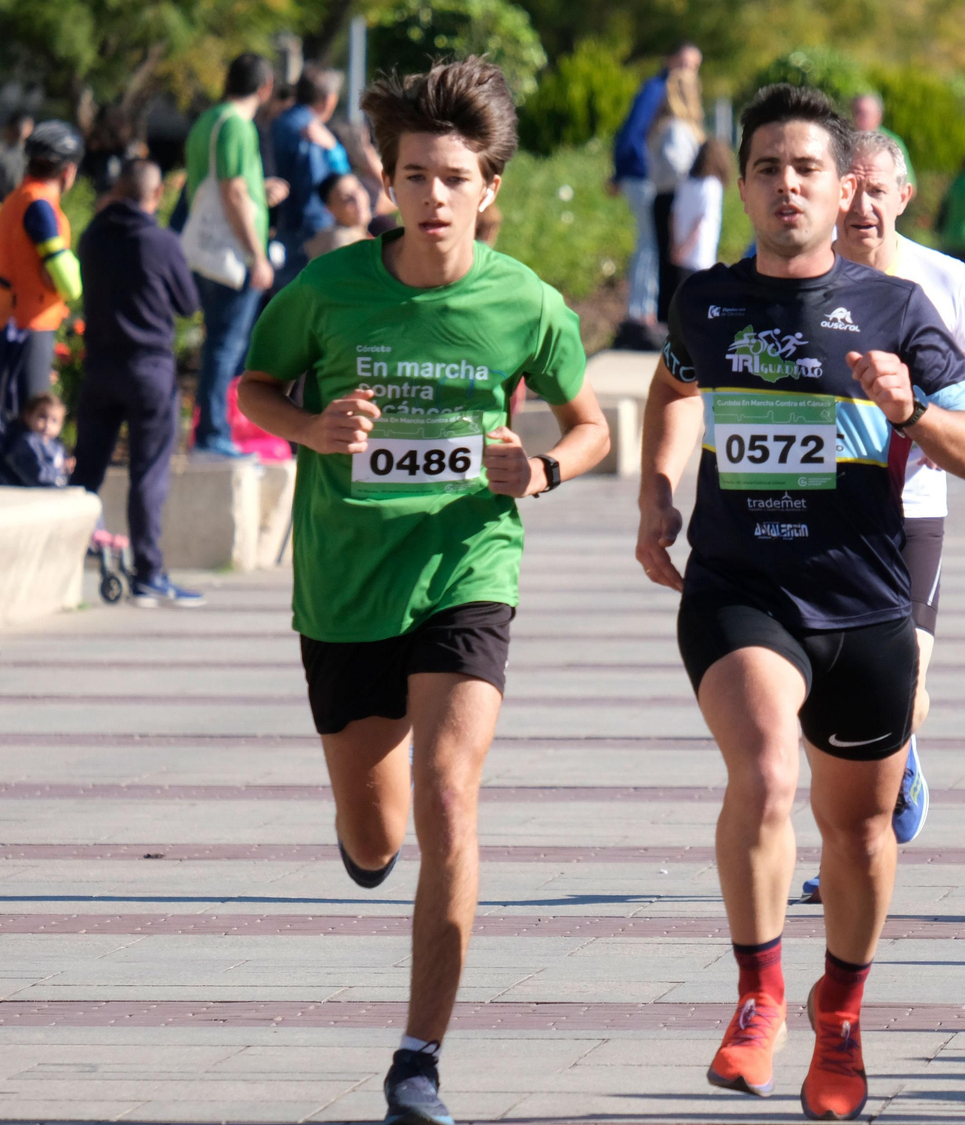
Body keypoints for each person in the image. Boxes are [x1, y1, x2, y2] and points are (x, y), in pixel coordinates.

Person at [234, 58, 611, 1125]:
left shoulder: (525, 301)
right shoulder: (327, 290)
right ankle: (366, 837)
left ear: (488, 186)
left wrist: (540, 470)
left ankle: (417, 1060)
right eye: (413, 176)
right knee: (375, 838)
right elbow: (251, 388)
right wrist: (311, 428)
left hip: (466, 570)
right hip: (347, 586)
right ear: (387, 181)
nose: (433, 197)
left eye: (453, 178)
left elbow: (589, 425)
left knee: (450, 796)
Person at [634, 84, 965, 1122]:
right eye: (766, 168)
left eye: (806, 168)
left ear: (845, 190)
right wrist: (656, 495)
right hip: (740, 590)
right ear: (743, 186)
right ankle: (759, 996)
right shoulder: (706, 302)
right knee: (762, 768)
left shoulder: (898, 309)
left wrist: (912, 410)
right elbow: (673, 387)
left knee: (861, 831)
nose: (785, 185)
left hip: (866, 602)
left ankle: (838, 1014)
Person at [796, 127, 965, 905]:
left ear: (904, 197)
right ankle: (845, 844)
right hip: (821, 506)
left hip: (912, 507)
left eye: (878, 190)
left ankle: (883, 795)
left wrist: (943, 424)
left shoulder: (942, 278)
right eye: (850, 189)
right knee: (820, 691)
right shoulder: (802, 275)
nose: (863, 205)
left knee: (903, 680)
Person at [73, 159, 204, 608]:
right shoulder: (161, 242)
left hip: (100, 367)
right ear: (156, 195)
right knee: (147, 474)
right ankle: (148, 575)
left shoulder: (91, 238)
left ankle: (66, 560)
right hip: (149, 368)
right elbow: (188, 303)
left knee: (85, 473)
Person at [176, 53, 290, 460]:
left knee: (218, 343)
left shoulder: (207, 121)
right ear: (266, 86)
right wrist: (258, 255)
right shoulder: (237, 125)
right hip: (233, 256)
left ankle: (212, 430)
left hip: (208, 250)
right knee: (226, 347)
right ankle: (213, 434)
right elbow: (234, 190)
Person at [0, 119, 85, 402]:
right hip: (32, 325)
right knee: (31, 416)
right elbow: (70, 285)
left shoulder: (16, 199)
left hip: (2, 319)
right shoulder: (41, 207)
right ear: (68, 171)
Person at [611, 42, 701, 334]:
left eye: (694, 66)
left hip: (651, 175)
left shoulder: (662, 90)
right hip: (647, 176)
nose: (688, 71)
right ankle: (641, 311)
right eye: (684, 63)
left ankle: (646, 308)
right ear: (670, 59)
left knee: (652, 242)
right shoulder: (658, 89)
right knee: (651, 243)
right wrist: (631, 169)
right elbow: (633, 132)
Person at [272, 67, 350, 287]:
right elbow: (316, 187)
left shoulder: (279, 122)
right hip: (305, 233)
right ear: (329, 100)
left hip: (279, 226)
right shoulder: (312, 133)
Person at [647, 68, 705, 327]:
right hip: (675, 197)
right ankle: (675, 320)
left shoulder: (662, 126)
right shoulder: (677, 128)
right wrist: (693, 176)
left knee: (669, 260)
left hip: (663, 196)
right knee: (678, 261)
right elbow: (675, 163)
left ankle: (668, 318)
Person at [671, 139, 731, 277]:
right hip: (701, 253)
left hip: (680, 251)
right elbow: (701, 221)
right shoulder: (712, 186)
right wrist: (686, 247)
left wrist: (676, 246)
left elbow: (673, 215)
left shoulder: (686, 183)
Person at [304, 173, 375, 262]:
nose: (358, 200)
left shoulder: (365, 232)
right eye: (346, 198)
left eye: (358, 189)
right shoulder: (343, 245)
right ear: (330, 209)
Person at [3, 393, 70, 487]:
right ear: (28, 417)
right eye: (42, 417)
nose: (47, 425)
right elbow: (38, 474)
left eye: (54, 421)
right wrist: (60, 470)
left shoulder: (56, 445)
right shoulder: (28, 442)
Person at [850, 93, 914, 185]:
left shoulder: (892, 143)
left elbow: (908, 183)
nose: (860, 118)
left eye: (865, 114)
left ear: (878, 116)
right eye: (857, 112)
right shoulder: (845, 140)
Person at [0, 111, 34, 204]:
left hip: (7, 210)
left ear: (9, 130)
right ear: (30, 129)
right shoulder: (39, 160)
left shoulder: (0, 162)